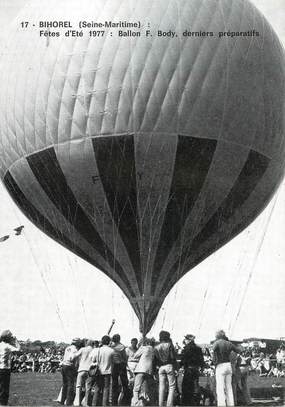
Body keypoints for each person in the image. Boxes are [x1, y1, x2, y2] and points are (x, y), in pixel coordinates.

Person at [212, 330, 238, 407]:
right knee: (229, 387)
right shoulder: (229, 343)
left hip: (220, 365)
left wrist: (214, 361)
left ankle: (221, 404)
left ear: (217, 336)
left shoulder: (217, 343)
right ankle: (231, 404)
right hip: (228, 365)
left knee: (220, 387)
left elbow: (213, 352)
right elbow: (237, 350)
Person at [180, 334, 204, 406]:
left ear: (189, 340)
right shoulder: (198, 348)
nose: (185, 340)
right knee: (196, 385)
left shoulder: (186, 348)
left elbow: (183, 359)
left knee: (186, 386)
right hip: (196, 369)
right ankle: (197, 401)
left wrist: (180, 366)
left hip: (188, 369)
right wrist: (201, 367)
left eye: (186, 339)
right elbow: (201, 360)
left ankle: (186, 402)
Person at [91, 335, 115, 406]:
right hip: (107, 371)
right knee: (106, 389)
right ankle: (104, 404)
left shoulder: (98, 350)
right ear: (108, 342)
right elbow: (113, 362)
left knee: (97, 388)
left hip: (98, 371)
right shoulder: (111, 351)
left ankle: (94, 404)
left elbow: (93, 360)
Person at [155, 330, 177, 407]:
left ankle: (160, 404)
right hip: (169, 366)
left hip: (161, 367)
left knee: (161, 387)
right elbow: (173, 357)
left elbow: (156, 359)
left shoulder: (156, 347)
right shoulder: (169, 345)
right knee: (171, 386)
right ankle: (169, 404)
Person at [131, 338, 155, 406]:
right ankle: (147, 402)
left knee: (136, 388)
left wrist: (140, 347)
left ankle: (135, 403)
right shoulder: (153, 349)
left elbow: (135, 356)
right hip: (149, 371)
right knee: (147, 388)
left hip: (140, 370)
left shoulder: (143, 348)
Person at [0, 330, 20, 406]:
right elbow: (18, 350)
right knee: (4, 388)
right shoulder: (7, 346)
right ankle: (3, 404)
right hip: (5, 369)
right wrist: (16, 341)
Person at [73, 339, 94, 406]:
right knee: (88, 387)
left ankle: (77, 402)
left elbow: (75, 356)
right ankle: (85, 402)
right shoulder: (94, 350)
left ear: (87, 343)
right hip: (89, 370)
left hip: (81, 369)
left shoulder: (83, 349)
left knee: (78, 386)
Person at [111, 334, 129, 405]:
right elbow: (125, 357)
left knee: (114, 384)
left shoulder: (111, 347)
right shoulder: (122, 347)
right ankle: (126, 401)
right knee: (124, 384)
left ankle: (114, 402)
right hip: (121, 365)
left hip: (114, 366)